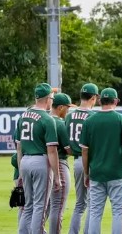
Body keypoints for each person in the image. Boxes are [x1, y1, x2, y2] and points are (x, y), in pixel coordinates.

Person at [79, 88, 122, 234]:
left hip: (96, 172)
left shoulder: (89, 121)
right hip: (117, 172)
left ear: (100, 101)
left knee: (95, 212)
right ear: (116, 101)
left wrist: (86, 173)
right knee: (118, 212)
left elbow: (85, 151)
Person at [16, 83, 61, 234]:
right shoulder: (48, 119)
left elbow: (19, 147)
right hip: (40, 161)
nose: (52, 101)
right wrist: (57, 176)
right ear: (48, 99)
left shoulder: (23, 116)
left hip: (25, 161)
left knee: (28, 206)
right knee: (40, 206)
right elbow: (52, 151)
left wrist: (21, 171)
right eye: (52, 98)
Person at [65, 83, 99, 234]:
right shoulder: (94, 116)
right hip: (91, 161)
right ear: (93, 97)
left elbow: (66, 141)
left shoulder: (69, 115)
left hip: (77, 159)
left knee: (80, 203)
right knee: (93, 204)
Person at [49, 93, 73, 234]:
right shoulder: (59, 123)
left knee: (43, 206)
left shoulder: (43, 119)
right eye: (67, 107)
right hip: (59, 164)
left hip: (43, 164)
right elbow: (69, 150)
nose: (68, 111)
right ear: (61, 107)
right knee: (57, 207)